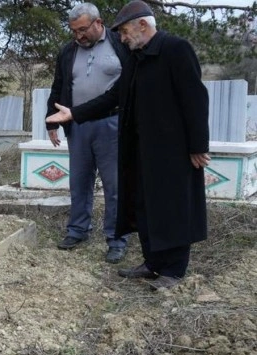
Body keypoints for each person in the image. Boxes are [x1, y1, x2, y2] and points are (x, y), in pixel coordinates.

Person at [46, 0, 211, 290]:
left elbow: (195, 99)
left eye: (124, 32)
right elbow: (113, 97)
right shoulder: (136, 57)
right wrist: (74, 113)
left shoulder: (175, 49)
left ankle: (173, 271)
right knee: (146, 205)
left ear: (143, 25)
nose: (121, 38)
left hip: (173, 150)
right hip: (141, 148)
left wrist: (198, 145)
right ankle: (152, 263)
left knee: (171, 207)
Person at [46, 3, 129, 263]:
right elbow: (59, 85)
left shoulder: (120, 44)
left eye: (83, 29)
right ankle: (78, 230)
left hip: (111, 123)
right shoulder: (68, 51)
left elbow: (132, 83)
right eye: (74, 31)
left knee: (114, 184)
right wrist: (51, 121)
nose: (79, 35)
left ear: (98, 23)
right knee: (79, 182)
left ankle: (116, 239)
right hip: (77, 125)